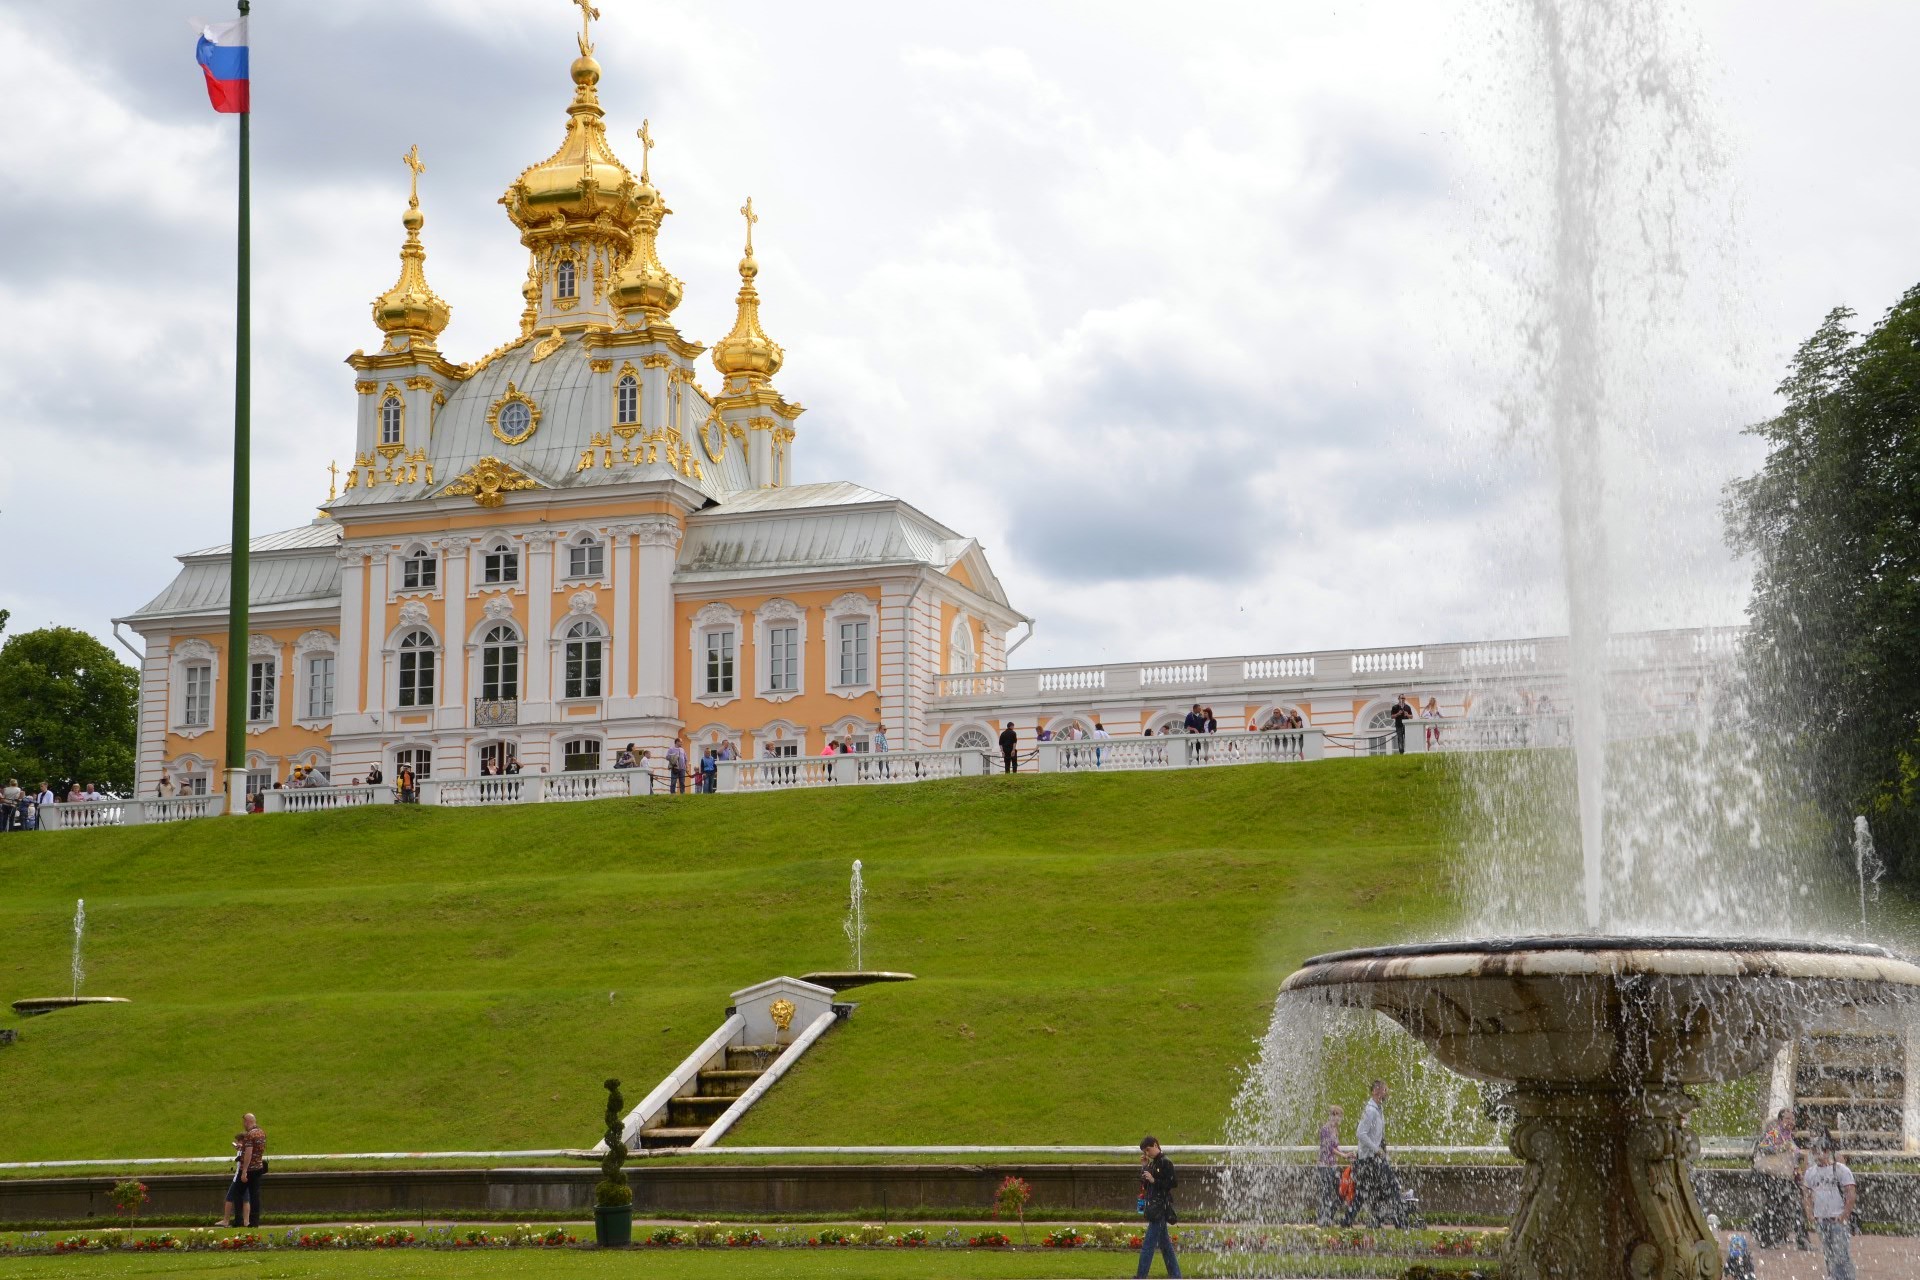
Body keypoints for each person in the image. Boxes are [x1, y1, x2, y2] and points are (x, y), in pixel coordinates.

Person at [1344, 1080, 1407, 1227]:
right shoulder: (1371, 1111)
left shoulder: (1377, 1109)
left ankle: (1350, 1222)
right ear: (1375, 1091)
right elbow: (1360, 1133)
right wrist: (1376, 1149)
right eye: (1385, 1090)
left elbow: (1374, 1135)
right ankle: (1401, 1223)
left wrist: (1380, 1148)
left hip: (1371, 1158)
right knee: (1392, 1187)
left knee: (1363, 1192)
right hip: (1371, 1159)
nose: (1387, 1093)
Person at [1802, 1136, 1856, 1280]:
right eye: (1814, 1152)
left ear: (1827, 1152)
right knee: (1828, 1252)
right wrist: (1809, 1213)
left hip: (1837, 1218)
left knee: (1841, 1254)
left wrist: (1844, 1214)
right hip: (1821, 1219)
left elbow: (1850, 1192)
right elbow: (1806, 1194)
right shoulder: (1811, 1172)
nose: (1816, 1155)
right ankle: (1833, 1276)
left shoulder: (1840, 1170)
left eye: (1819, 1151)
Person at [1751, 1107, 1805, 1250]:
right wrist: (1781, 1148)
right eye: (1787, 1119)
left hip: (1784, 1177)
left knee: (1782, 1206)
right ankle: (1766, 1236)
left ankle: (1775, 1235)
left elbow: (1794, 1157)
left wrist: (1797, 1171)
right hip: (1770, 1176)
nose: (1790, 1122)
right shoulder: (1775, 1133)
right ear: (1780, 1120)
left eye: (1792, 1119)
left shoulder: (1789, 1136)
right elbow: (1763, 1148)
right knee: (1774, 1206)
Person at [1134, 1135, 1180, 1277]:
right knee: (1165, 1246)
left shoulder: (1166, 1162)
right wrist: (1144, 1168)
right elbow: (1146, 1185)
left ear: (1155, 1145)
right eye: (1145, 1152)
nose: (1147, 1153)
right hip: (1154, 1206)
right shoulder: (1153, 1163)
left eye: (1148, 1150)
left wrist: (1154, 1180)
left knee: (1148, 1246)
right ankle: (1176, 1276)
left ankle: (1141, 1277)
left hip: (1160, 1208)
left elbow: (1172, 1183)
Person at [219, 1111, 267, 1228]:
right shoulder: (261, 1133)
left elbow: (249, 1154)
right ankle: (254, 1222)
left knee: (237, 1193)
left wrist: (244, 1171)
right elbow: (256, 1149)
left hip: (249, 1169)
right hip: (258, 1168)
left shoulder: (249, 1135)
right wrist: (242, 1146)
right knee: (254, 1195)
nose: (243, 1125)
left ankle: (238, 1221)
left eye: (244, 1122)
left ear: (247, 1121)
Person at [1316, 1105, 1347, 1227]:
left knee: (1340, 1191)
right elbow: (1330, 1148)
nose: (1338, 1118)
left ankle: (1329, 1216)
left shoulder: (1334, 1130)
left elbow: (1335, 1147)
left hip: (1332, 1165)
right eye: (1337, 1115)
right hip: (1325, 1166)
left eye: (1339, 1116)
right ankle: (1323, 1219)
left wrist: (1346, 1155)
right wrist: (1343, 1155)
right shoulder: (1326, 1129)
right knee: (1326, 1193)